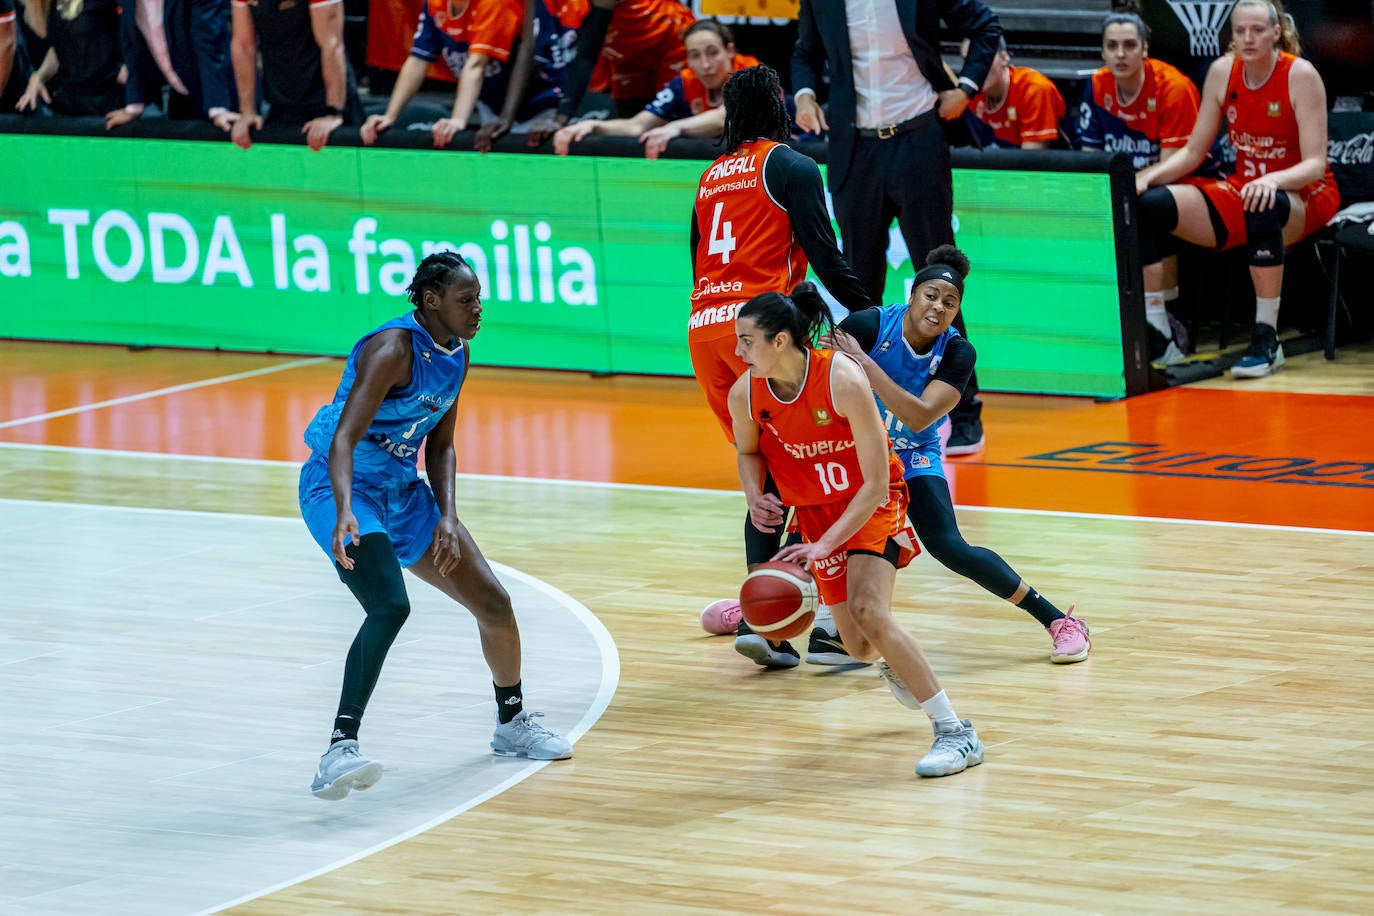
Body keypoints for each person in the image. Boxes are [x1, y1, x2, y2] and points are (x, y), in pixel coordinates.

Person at [298, 251, 572, 800]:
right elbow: (345, 436)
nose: (478, 309)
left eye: (479, 299)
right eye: (466, 300)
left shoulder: (458, 354)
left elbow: (441, 445)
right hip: (342, 486)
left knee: (494, 603)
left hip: (403, 490)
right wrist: (345, 509)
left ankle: (512, 724)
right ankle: (338, 750)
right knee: (389, 605)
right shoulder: (392, 349)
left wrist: (447, 516)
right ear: (430, 300)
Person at [728, 284, 984, 778]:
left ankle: (956, 732)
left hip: (873, 500)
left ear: (780, 341)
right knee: (858, 644)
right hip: (817, 512)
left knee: (870, 611)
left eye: (747, 340)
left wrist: (824, 544)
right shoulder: (747, 393)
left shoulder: (842, 379)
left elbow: (877, 482)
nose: (739, 352)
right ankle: (895, 658)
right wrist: (755, 497)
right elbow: (748, 451)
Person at [823, 245, 1091, 664]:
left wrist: (865, 365)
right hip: (856, 453)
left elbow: (918, 415)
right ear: (912, 295)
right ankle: (762, 617)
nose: (938, 307)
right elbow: (818, 377)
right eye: (931, 295)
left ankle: (1059, 620)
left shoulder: (957, 352)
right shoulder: (869, 325)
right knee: (800, 523)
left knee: (950, 547)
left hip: (913, 453)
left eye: (950, 302)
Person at [689, 64, 873, 669]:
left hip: (707, 332)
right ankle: (822, 624)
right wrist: (875, 316)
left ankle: (763, 621)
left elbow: (698, 262)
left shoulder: (711, 175)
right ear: (778, 107)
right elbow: (824, 254)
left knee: (765, 472)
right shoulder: (791, 165)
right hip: (763, 330)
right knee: (812, 466)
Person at [791, 0, 1002, 456]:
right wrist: (804, 93)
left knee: (942, 282)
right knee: (858, 287)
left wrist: (966, 87)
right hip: (855, 150)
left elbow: (985, 25)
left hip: (918, 138)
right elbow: (805, 52)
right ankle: (857, 409)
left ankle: (965, 413)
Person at [1134, 0, 1340, 379]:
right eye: (1240, 31)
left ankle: (1266, 338)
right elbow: (1194, 151)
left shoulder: (1300, 74)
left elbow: (1314, 163)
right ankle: (1160, 331)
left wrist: (1272, 180)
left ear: (1276, 32)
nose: (1248, 38)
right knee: (1151, 203)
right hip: (1245, 187)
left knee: (1262, 202)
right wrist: (1148, 176)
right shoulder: (1221, 71)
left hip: (1306, 192)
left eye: (1257, 30)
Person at [1077, 12, 1209, 366]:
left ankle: (1162, 323)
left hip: (1187, 183)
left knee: (1146, 203)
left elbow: (1174, 164)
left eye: (1129, 45)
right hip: (1128, 187)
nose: (1120, 54)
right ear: (1103, 51)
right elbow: (1091, 158)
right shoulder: (1096, 86)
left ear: (1145, 49)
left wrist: (1134, 184)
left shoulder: (1173, 87)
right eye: (1112, 46)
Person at [360, 0, 561, 150]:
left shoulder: (494, 4)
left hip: (541, 104)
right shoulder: (435, 5)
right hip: (491, 106)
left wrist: (457, 120)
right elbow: (418, 60)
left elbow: (476, 65)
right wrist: (390, 116)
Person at [552, 19, 758, 160]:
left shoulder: (752, 74)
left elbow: (725, 117)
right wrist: (594, 126)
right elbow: (637, 126)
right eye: (695, 55)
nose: (705, 65)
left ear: (729, 51)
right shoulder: (683, 84)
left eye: (713, 53)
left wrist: (675, 127)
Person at [531, 0, 695, 143]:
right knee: (629, 124)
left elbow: (587, 54)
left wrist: (561, 118)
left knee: (668, 119)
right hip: (622, 49)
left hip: (666, 36)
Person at [229, 0, 362, 152]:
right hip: (282, 101)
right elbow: (243, 45)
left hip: (326, 99)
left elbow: (331, 45)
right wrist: (247, 112)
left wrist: (333, 113)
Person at [108, 0, 237, 132]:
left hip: (224, 93)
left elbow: (209, 46)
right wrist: (133, 107)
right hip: (181, 94)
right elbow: (131, 45)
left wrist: (218, 108)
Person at [14, 0, 123, 117]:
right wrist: (39, 75)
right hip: (68, 100)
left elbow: (130, 32)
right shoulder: (52, 6)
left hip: (105, 98)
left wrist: (129, 70)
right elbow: (60, 48)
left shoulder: (99, 4)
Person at [966, 37, 1065, 150]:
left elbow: (1031, 158)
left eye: (982, 58)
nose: (974, 68)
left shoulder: (1035, 90)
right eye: (967, 60)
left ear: (1004, 58)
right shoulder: (969, 95)